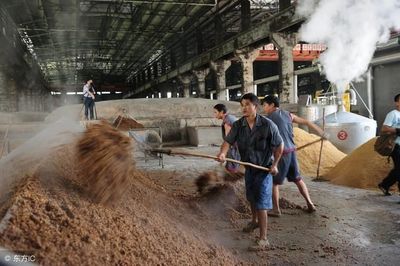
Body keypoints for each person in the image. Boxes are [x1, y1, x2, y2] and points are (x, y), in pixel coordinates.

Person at [217, 93, 283, 251]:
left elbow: (279, 146)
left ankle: (263, 238)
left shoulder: (267, 125)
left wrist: (275, 164)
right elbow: (227, 142)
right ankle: (254, 221)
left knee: (261, 202)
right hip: (249, 168)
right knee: (251, 197)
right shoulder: (239, 125)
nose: (244, 108)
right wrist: (223, 154)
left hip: (264, 169)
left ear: (256, 106)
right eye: (242, 105)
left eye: (247, 104)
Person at [262, 95, 325, 216]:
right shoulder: (288, 114)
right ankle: (310, 204)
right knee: (298, 179)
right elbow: (306, 121)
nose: (264, 108)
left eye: (265, 105)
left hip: (281, 153)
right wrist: (320, 132)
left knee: (274, 182)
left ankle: (276, 210)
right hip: (292, 152)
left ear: (272, 105)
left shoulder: (268, 119)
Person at [378, 93, 400, 196]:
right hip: (395, 146)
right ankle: (385, 185)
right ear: (397, 103)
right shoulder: (393, 114)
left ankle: (385, 184)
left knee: (398, 169)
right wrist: (396, 130)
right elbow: (384, 128)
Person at [213, 104, 241, 173]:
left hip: (235, 146)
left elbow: (228, 141)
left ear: (221, 112)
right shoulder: (230, 117)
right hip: (239, 144)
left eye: (215, 112)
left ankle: (232, 177)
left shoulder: (227, 122)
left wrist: (222, 153)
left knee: (232, 166)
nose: (214, 114)